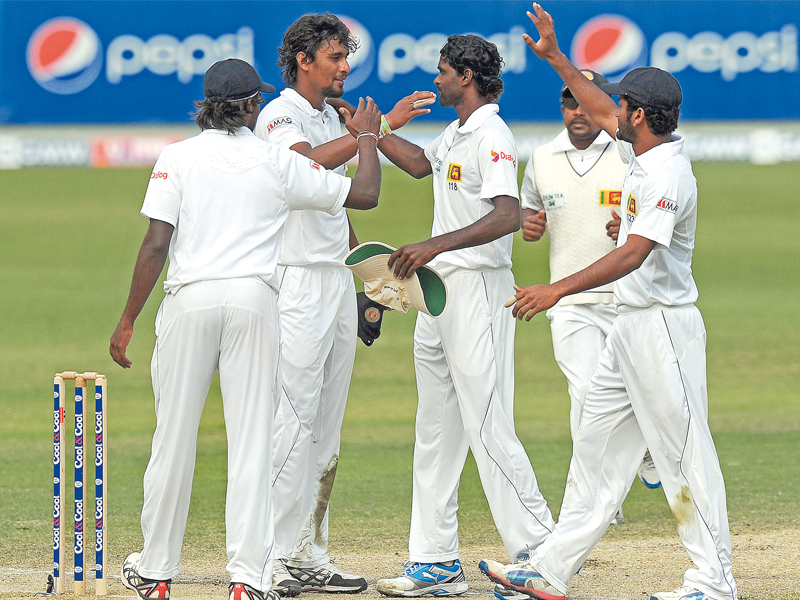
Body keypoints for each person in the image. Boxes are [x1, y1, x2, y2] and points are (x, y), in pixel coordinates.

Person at [478, 6, 738, 600]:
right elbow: (595, 108)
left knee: (682, 453)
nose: (609, 112)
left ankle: (714, 579)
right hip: (629, 327)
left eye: (621, 105)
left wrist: (556, 289)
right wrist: (553, 57)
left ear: (640, 115)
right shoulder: (643, 151)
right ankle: (550, 569)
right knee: (594, 446)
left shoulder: (666, 173)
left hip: (664, 327)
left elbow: (634, 254)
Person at [109, 58, 383, 600]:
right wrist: (368, 139)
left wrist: (127, 319)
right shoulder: (273, 159)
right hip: (256, 303)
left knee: (174, 439)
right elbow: (365, 196)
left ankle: (157, 571)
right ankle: (246, 578)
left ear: (206, 104)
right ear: (252, 107)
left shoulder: (177, 157)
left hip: (190, 300)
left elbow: (156, 244)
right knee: (252, 444)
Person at [254, 13, 435, 596]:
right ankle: (273, 558)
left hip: (333, 280)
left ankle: (308, 550)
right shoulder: (279, 114)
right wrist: (369, 132)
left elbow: (341, 209)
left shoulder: (334, 115)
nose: (345, 67)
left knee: (326, 428)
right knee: (293, 420)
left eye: (345, 56)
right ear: (304, 60)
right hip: (295, 283)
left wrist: (369, 284)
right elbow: (305, 166)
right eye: (334, 57)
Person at [372, 34, 556, 597]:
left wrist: (433, 246)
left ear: (467, 78)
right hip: (438, 294)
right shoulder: (457, 131)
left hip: (477, 287)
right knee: (435, 429)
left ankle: (542, 553)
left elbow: (506, 216)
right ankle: (434, 562)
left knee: (487, 421)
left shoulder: (492, 135)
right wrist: (374, 132)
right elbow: (419, 168)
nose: (437, 79)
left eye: (443, 71)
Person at [519, 71, 659, 529]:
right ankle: (603, 497)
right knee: (586, 392)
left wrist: (631, 229)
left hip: (625, 298)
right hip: (569, 300)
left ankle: (642, 449)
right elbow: (527, 207)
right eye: (568, 104)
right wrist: (528, 224)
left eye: (584, 103)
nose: (576, 112)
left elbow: (650, 218)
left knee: (635, 391)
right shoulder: (540, 158)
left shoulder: (627, 155)